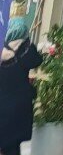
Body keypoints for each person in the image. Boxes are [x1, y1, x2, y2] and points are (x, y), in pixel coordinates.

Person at [0, 23, 43, 155]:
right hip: (19, 105)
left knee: (6, 142)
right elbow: (37, 60)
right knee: (13, 144)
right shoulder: (25, 50)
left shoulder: (3, 50)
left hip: (3, 104)